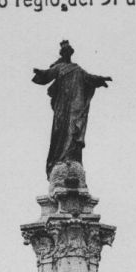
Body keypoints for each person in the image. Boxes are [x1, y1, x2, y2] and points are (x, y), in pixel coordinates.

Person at [32, 41, 112, 178]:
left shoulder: (77, 69)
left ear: (71, 53)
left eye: (68, 51)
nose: (67, 53)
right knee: (60, 130)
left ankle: (71, 158)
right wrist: (40, 72)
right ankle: (60, 159)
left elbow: (89, 77)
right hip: (63, 104)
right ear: (62, 54)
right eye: (65, 52)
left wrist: (100, 79)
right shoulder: (59, 67)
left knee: (74, 128)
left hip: (75, 103)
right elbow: (47, 74)